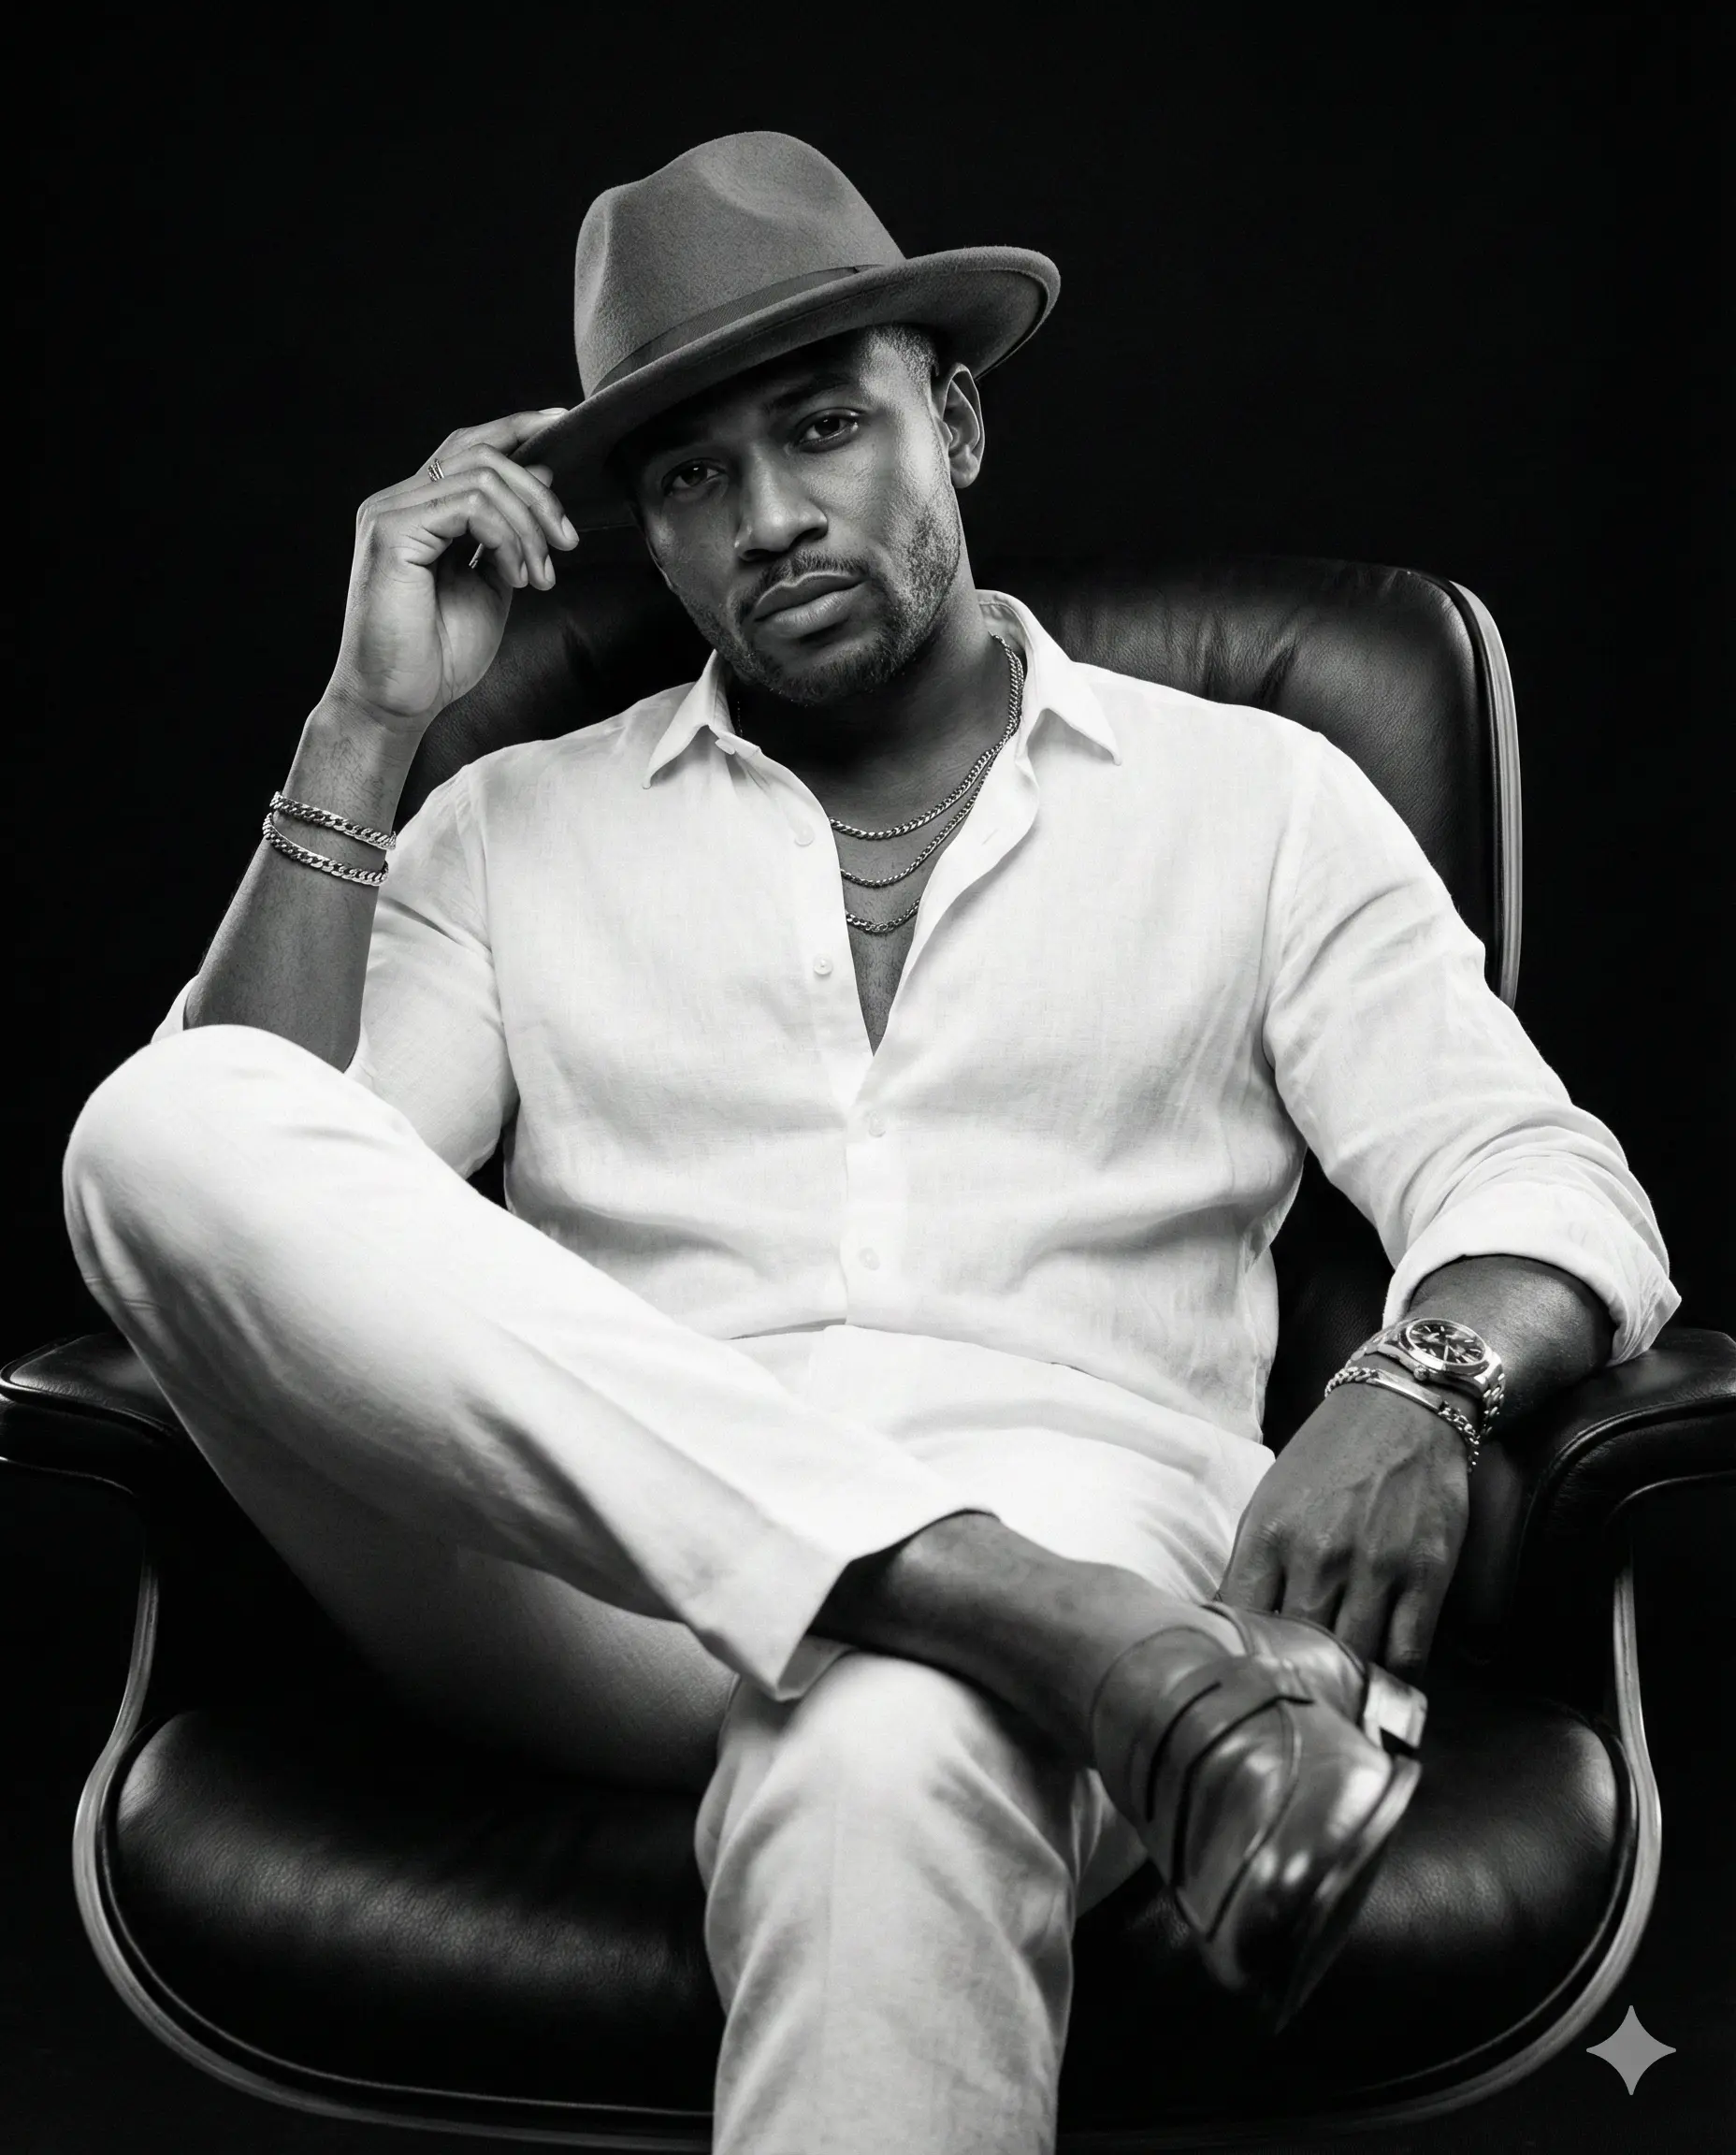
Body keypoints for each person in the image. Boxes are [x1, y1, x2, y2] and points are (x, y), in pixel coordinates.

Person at [64, 132, 1675, 2155]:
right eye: (692, 477)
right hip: (590, 1581)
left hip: (1091, 1486)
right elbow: (263, 1193)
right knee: (157, 1118)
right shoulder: (510, 824)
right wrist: (365, 729)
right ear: (646, 536)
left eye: (825, 430)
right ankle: (1075, 1648)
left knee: (897, 1743)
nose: (770, 517)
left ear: (959, 423)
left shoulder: (1255, 795)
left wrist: (1418, 1386)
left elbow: (1544, 1182)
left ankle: (1021, 1627)